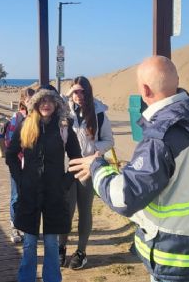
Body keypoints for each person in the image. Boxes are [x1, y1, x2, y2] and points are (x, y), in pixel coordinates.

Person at [69, 56, 189, 282]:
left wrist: (96, 166)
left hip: (171, 256)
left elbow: (124, 197)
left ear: (144, 89)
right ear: (177, 81)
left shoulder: (160, 139)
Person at [5, 85, 81, 282]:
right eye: (42, 101)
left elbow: (76, 159)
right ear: (36, 103)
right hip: (30, 192)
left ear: (56, 104)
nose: (46, 105)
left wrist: (64, 183)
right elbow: (11, 155)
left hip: (55, 193)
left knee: (51, 243)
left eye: (50, 101)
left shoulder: (64, 127)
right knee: (29, 243)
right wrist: (20, 179)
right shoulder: (26, 124)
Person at [58, 76, 114, 270]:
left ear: (88, 92)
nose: (79, 95)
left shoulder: (98, 113)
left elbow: (109, 140)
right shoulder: (64, 112)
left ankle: (81, 251)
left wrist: (94, 150)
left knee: (84, 210)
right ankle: (61, 247)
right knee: (66, 210)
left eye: (82, 91)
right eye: (75, 91)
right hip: (69, 167)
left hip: (88, 169)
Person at [0, 87, 35, 244]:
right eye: (28, 99)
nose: (31, 102)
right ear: (22, 101)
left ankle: (27, 226)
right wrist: (20, 160)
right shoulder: (17, 119)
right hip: (18, 165)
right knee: (16, 195)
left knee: (30, 196)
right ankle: (14, 226)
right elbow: (10, 143)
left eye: (33, 99)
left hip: (34, 166)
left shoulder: (39, 117)